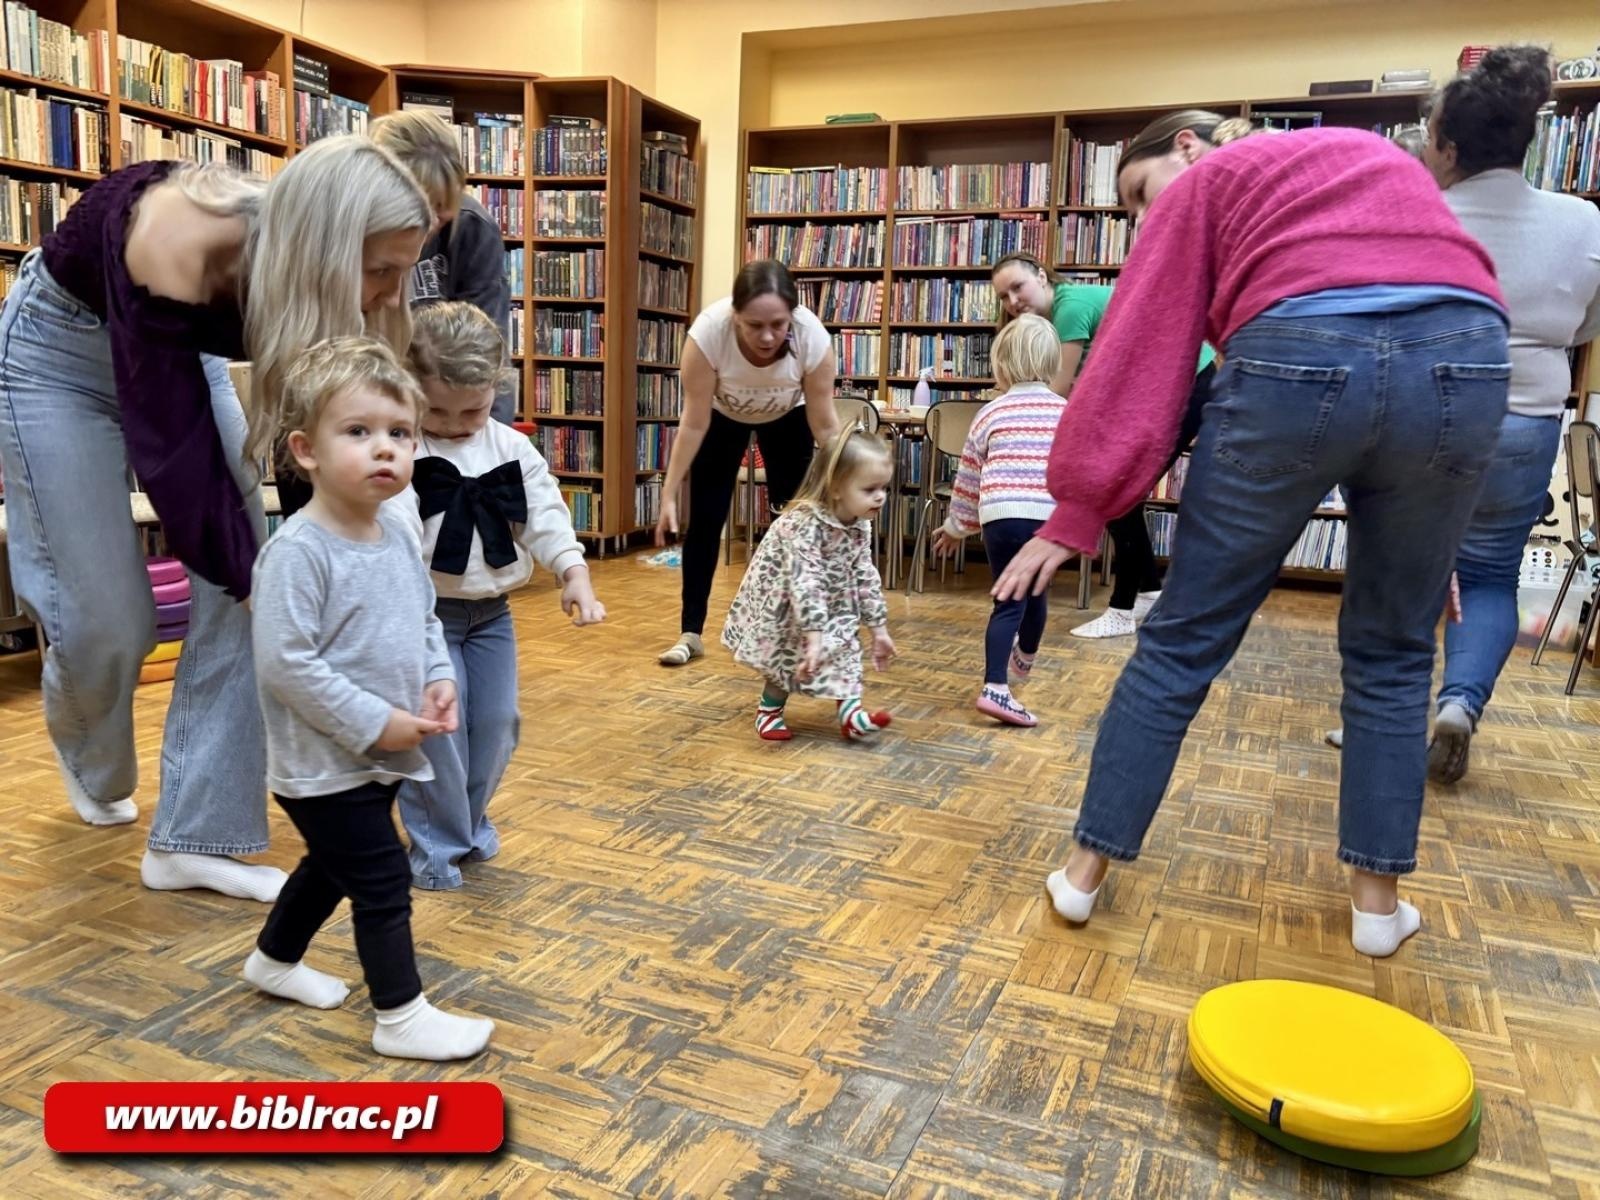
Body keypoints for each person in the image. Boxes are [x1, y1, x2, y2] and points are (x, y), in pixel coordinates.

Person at [992, 110, 1509, 958]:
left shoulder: (1206, 181)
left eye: (1135, 195)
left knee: (1180, 641)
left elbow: (1144, 345)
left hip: (1298, 349)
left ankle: (1082, 877)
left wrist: (1081, 505)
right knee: (1395, 651)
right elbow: (1426, 298)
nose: (1140, 219)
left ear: (1186, 148)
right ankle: (1377, 908)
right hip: (1468, 347)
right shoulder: (1376, 153)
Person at [0, 135, 432, 902]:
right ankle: (91, 756)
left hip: (177, 349)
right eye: (381, 271)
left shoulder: (312, 278)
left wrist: (305, 566)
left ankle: (195, 838)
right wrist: (248, 573)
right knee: (110, 621)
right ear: (326, 246)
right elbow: (172, 453)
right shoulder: (180, 233)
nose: (393, 297)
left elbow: (325, 448)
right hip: (54, 359)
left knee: (260, 579)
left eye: (407, 270)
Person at [245, 336, 493, 1061]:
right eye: (358, 432)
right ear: (307, 450)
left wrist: (438, 676)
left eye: (399, 434)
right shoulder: (298, 552)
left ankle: (273, 961)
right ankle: (400, 1016)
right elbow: (285, 664)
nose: (384, 449)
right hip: (322, 762)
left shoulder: (393, 532)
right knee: (382, 877)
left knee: (330, 865)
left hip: (378, 753)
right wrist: (375, 720)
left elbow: (419, 620)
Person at [391, 302, 605, 891]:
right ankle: (437, 846)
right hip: (426, 617)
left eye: (474, 409)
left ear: (497, 391)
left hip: (492, 616)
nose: (457, 425)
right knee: (440, 732)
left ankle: (467, 819)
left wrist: (573, 571)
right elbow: (396, 533)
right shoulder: (402, 451)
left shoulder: (510, 448)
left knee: (497, 724)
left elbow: (545, 511)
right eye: (437, 409)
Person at [989, 251, 1217, 639]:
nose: (1013, 302)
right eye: (1003, 297)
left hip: (1188, 380)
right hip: (1173, 383)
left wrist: (1005, 401)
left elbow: (1058, 390)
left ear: (1042, 277)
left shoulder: (1069, 307)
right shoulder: (1065, 308)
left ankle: (1122, 611)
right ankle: (1147, 590)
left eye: (1017, 287)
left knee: (1119, 491)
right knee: (1123, 495)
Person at [655, 260, 839, 666]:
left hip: (789, 418)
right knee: (705, 520)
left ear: (792, 316)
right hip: (722, 418)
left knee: (793, 524)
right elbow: (694, 421)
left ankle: (786, 629)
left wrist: (848, 486)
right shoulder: (707, 335)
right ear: (734, 315)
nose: (768, 336)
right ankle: (691, 632)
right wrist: (669, 492)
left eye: (778, 324)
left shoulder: (812, 339)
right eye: (754, 325)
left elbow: (826, 427)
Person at [931, 314, 1069, 727]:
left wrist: (957, 527)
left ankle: (1006, 674)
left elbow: (969, 477)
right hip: (1047, 521)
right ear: (1052, 364)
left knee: (1008, 602)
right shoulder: (1066, 411)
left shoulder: (990, 413)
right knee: (1036, 593)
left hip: (1001, 519)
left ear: (1002, 365)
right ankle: (1006, 677)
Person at [721, 428, 895, 741]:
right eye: (870, 489)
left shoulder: (859, 525)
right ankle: (769, 709)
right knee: (787, 655)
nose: (880, 496)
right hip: (786, 599)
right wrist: (814, 639)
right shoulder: (804, 522)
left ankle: (851, 714)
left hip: (831, 593)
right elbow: (805, 581)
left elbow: (865, 575)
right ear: (837, 488)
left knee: (845, 644)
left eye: (884, 487)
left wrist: (878, 628)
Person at [372, 110, 516, 425]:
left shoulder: (471, 227)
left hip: (445, 403)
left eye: (445, 203)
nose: (439, 218)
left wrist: (492, 447)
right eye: (427, 205)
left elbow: (490, 353)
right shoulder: (350, 231)